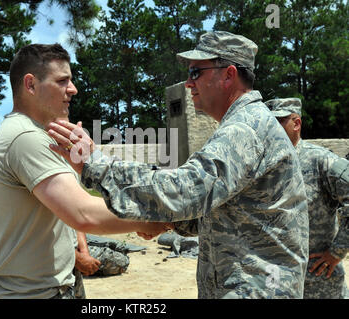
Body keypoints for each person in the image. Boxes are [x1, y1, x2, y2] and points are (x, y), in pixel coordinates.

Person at [48, 31, 310, 299]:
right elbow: (221, 210)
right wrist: (167, 222)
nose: (188, 83)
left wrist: (95, 164)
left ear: (229, 75)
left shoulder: (245, 128)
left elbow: (186, 190)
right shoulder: (245, 124)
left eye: (196, 72)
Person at [0, 43, 171, 299]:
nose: (73, 89)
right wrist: (152, 215)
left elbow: (70, 208)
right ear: (31, 85)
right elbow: (82, 213)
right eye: (62, 81)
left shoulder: (43, 135)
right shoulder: (25, 137)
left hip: (51, 286)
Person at [266, 97, 349, 299]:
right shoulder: (262, 166)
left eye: (279, 122)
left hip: (317, 281)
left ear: (296, 123)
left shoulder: (322, 161)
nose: (271, 129)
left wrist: (337, 252)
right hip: (275, 277)